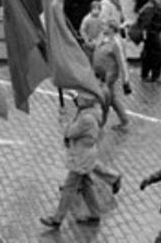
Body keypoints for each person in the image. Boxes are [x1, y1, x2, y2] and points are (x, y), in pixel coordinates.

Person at [40, 92, 105, 229]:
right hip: (85, 156)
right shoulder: (92, 112)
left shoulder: (86, 118)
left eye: (81, 97)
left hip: (81, 158)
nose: (78, 99)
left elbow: (70, 132)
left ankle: (57, 218)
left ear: (87, 101)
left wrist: (64, 118)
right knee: (86, 185)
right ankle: (95, 212)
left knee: (69, 188)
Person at [136, 0, 161, 83]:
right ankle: (155, 75)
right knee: (159, 53)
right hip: (152, 33)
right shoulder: (151, 7)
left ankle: (146, 74)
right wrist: (147, 33)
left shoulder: (155, 5)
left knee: (149, 54)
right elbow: (145, 22)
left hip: (153, 33)